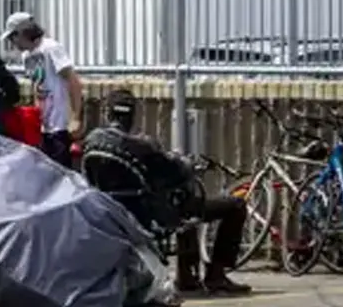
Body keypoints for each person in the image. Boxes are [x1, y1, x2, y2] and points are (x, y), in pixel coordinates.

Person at [84, 90, 250, 297]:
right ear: (133, 115)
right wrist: (187, 162)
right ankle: (215, 275)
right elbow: (176, 173)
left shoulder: (91, 142)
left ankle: (189, 277)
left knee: (183, 205)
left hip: (107, 214)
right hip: (151, 216)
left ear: (107, 113)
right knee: (233, 205)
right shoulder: (143, 146)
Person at [2, 10, 83, 166]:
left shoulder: (51, 48)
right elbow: (37, 84)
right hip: (42, 125)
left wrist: (75, 118)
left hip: (60, 124)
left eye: (13, 37)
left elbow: (73, 81)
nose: (12, 42)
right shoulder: (27, 56)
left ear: (22, 32)